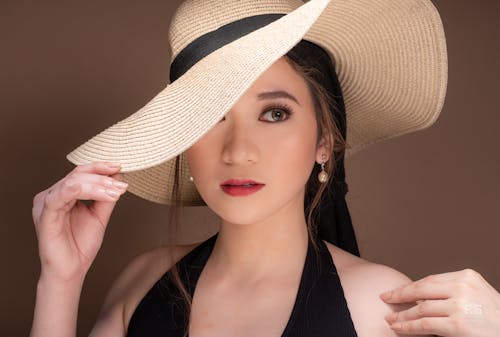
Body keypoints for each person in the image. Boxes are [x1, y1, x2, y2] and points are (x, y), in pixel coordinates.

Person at [30, 0, 500, 336]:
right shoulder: (142, 283)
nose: (238, 150)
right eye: (209, 116)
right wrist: (61, 279)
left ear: (325, 142)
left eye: (275, 113)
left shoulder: (381, 305)